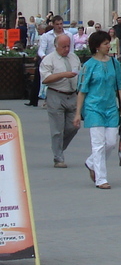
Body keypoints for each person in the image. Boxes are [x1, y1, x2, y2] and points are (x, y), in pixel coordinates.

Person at [74, 30, 121, 189]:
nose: (108, 46)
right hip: (93, 107)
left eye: (108, 42)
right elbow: (82, 90)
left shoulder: (114, 63)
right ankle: (101, 178)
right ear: (97, 46)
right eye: (105, 43)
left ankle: (91, 163)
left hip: (111, 107)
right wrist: (78, 113)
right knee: (98, 144)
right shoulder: (88, 66)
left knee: (110, 142)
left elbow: (119, 86)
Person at [41, 32, 81, 168]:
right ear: (56, 46)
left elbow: (80, 74)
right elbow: (45, 79)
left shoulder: (74, 58)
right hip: (56, 94)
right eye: (63, 47)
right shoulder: (49, 59)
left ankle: (58, 147)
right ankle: (58, 158)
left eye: (68, 46)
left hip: (72, 95)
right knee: (57, 129)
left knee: (74, 126)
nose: (66, 49)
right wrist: (63, 75)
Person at [31, 15, 68, 106]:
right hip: (50, 61)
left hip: (64, 60)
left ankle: (61, 99)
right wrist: (44, 57)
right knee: (50, 81)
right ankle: (48, 98)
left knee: (63, 80)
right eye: (57, 24)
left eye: (61, 24)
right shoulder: (46, 36)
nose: (59, 26)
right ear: (53, 25)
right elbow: (41, 49)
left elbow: (71, 50)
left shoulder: (68, 35)